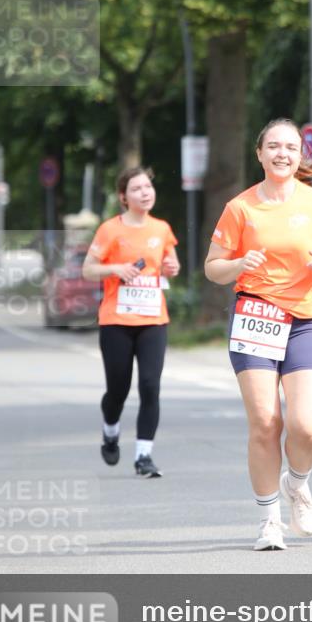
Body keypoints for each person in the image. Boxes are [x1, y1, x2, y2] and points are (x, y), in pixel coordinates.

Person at [204, 119, 312, 551]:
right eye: (274, 146)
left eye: (290, 147)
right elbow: (213, 267)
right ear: (260, 154)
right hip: (255, 318)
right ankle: (270, 521)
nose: (283, 153)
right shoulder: (240, 208)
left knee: (306, 427)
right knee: (266, 423)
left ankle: (297, 484)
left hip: (305, 319)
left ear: (300, 155)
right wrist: (238, 264)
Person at [82, 166, 180, 478]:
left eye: (148, 187)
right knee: (118, 390)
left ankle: (143, 457)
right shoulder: (110, 230)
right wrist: (115, 269)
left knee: (151, 386)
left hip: (153, 318)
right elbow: (88, 269)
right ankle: (110, 431)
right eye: (137, 189)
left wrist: (171, 266)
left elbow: (170, 264)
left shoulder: (162, 228)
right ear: (124, 197)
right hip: (116, 320)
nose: (145, 193)